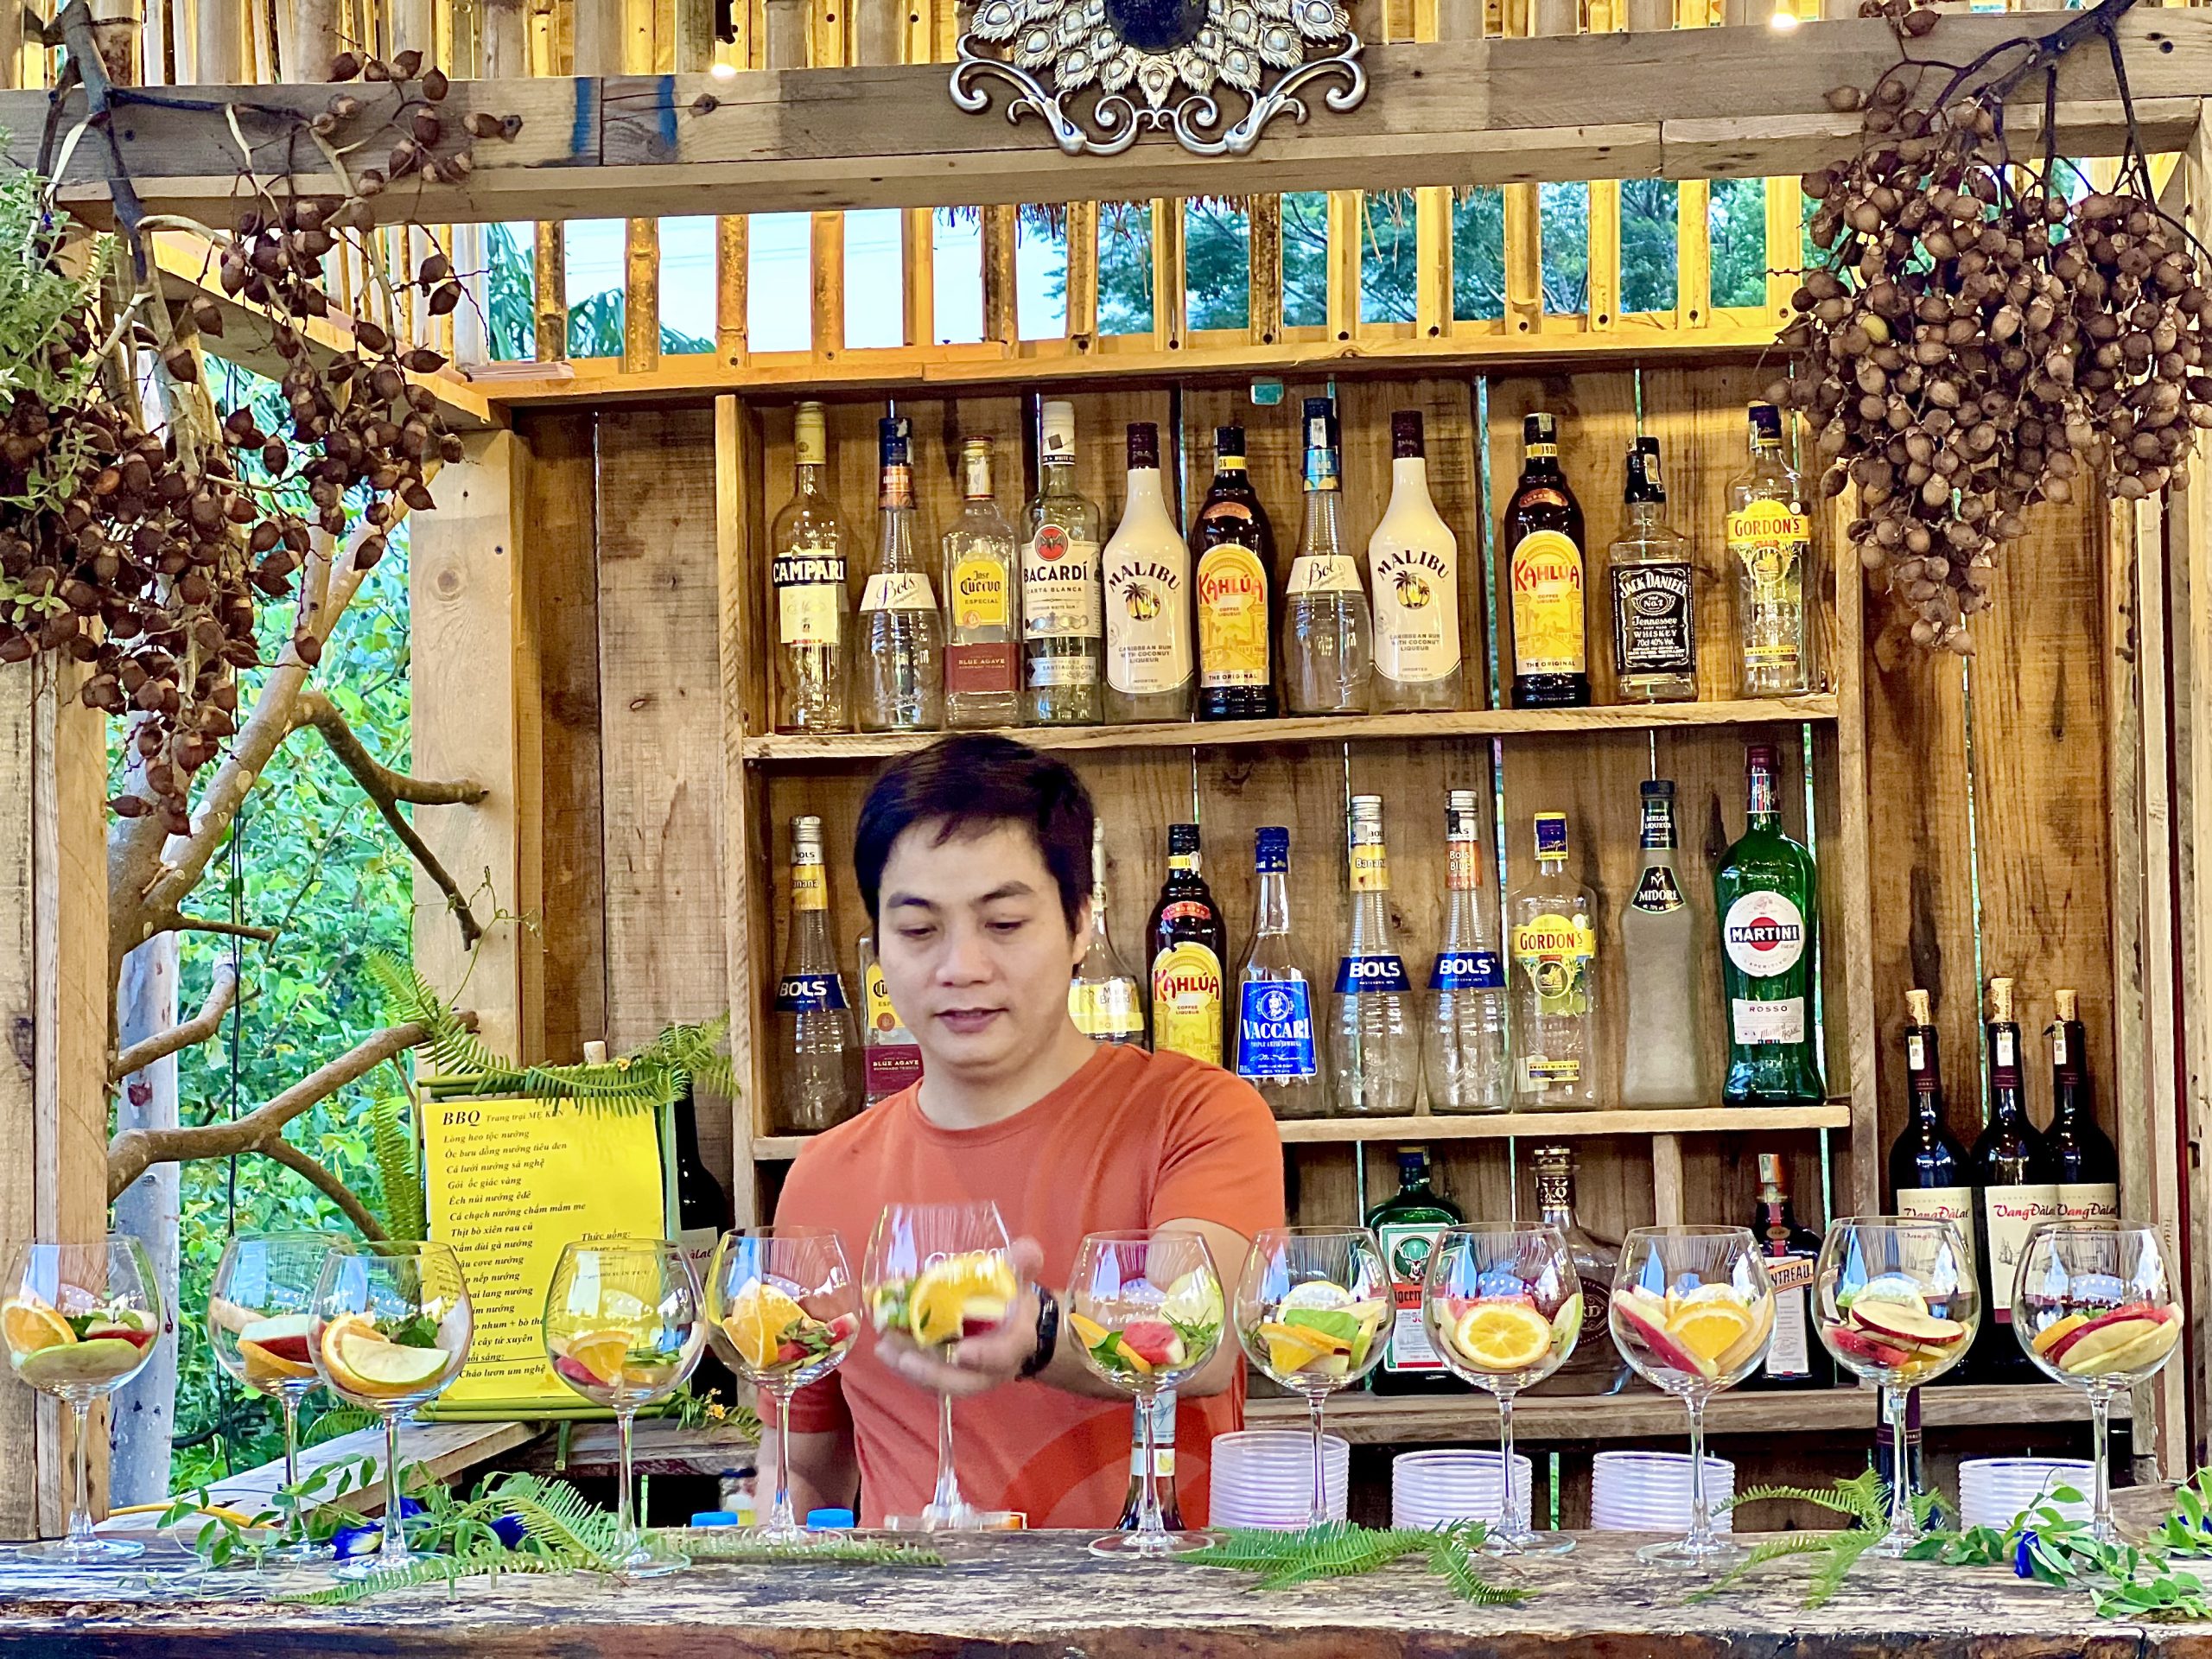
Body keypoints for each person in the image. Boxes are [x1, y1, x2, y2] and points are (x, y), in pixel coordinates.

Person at [768, 733, 1284, 1528]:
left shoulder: (1196, 1114)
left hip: (1157, 1599)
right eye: (918, 930)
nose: (961, 966)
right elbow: (805, 1469)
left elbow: (1204, 1341)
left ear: (1080, 926)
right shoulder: (823, 1176)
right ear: (876, 948)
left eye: (1004, 923)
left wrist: (1038, 1332)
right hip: (915, 1603)